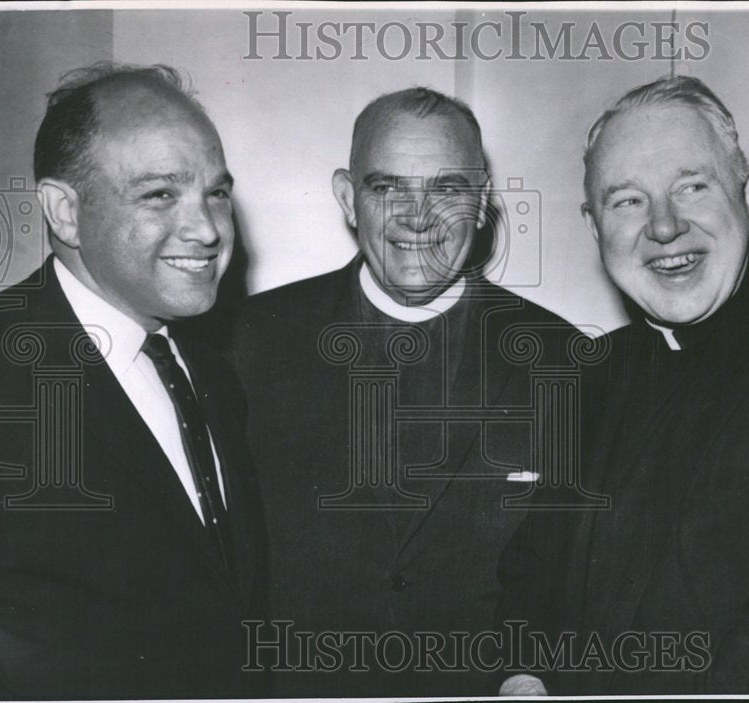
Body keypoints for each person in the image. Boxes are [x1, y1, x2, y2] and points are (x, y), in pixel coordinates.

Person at [228, 87, 582, 696]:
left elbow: (574, 567)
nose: (418, 217)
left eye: (446, 188)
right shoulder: (246, 343)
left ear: (483, 201)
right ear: (347, 197)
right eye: (387, 187)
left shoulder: (563, 358)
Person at [497, 75, 749, 694]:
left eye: (692, 187)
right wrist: (521, 675)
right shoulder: (587, 374)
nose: (663, 226)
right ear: (596, 228)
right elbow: (531, 570)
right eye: (627, 200)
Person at [0, 63, 266, 699]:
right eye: (161, 194)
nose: (209, 230)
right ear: (64, 211)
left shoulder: (215, 372)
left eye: (216, 193)